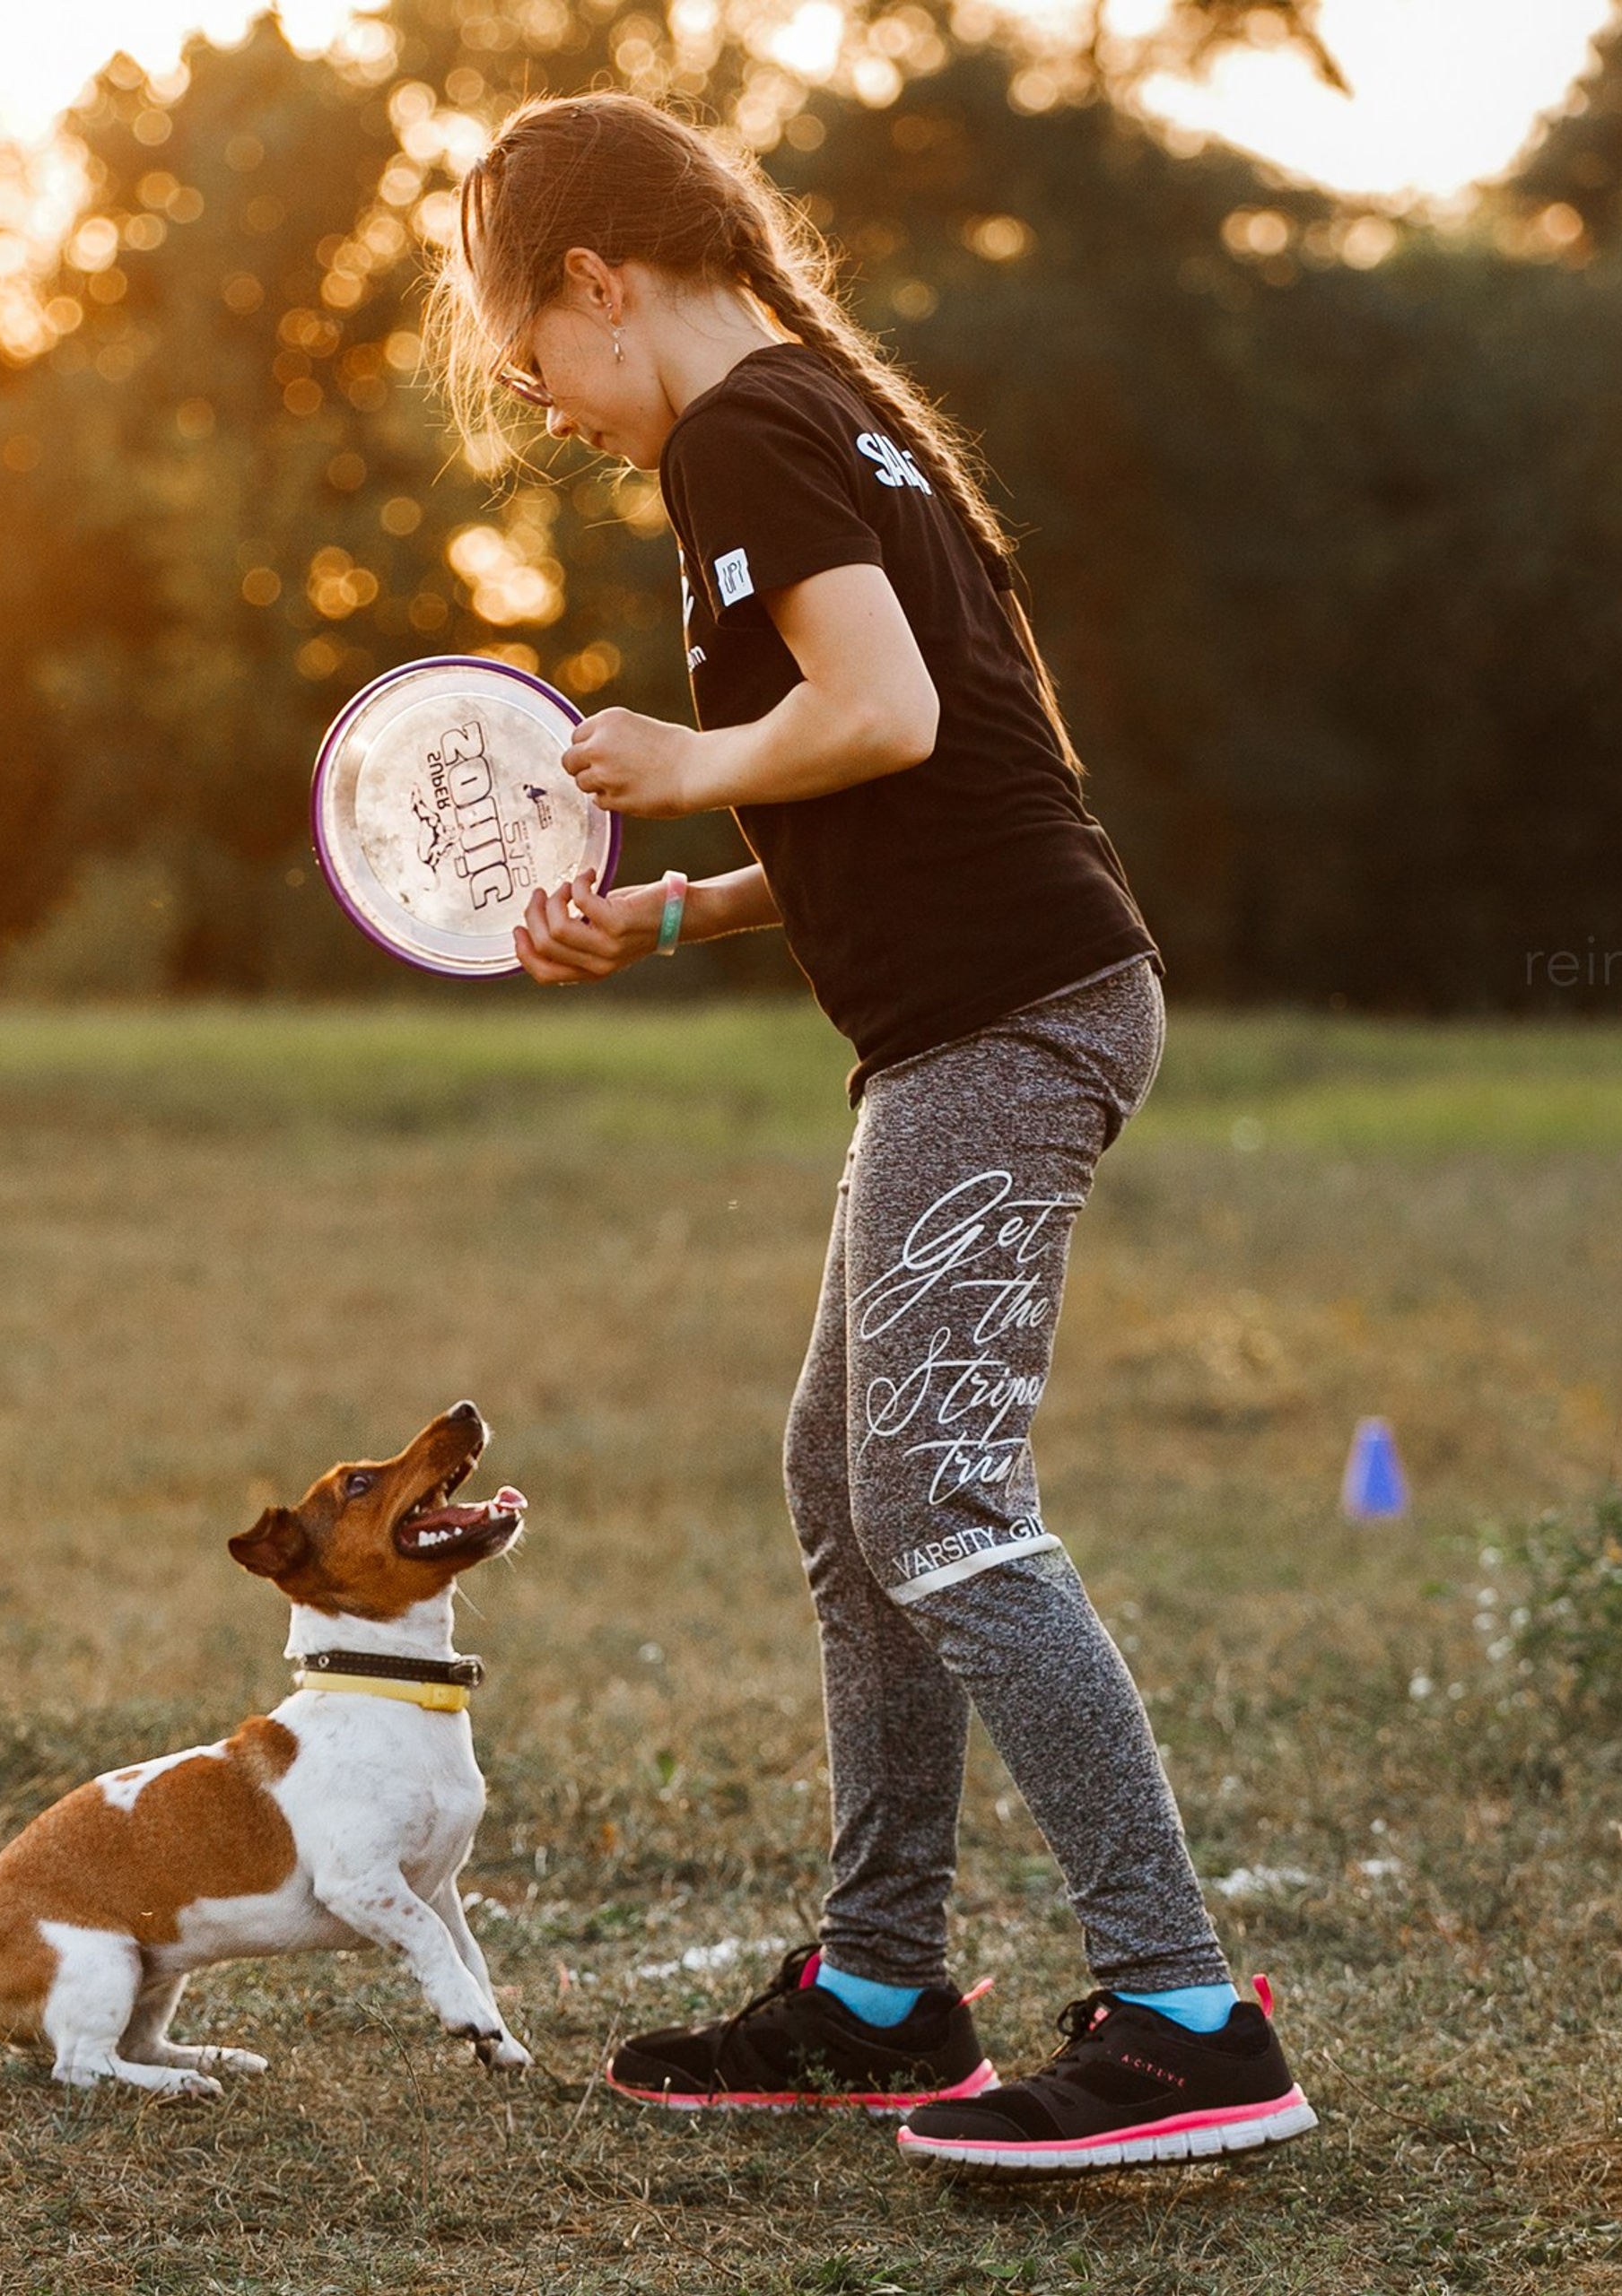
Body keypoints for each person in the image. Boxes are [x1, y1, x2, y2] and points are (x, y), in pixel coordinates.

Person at [424, 90, 1316, 2173]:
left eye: (525, 349)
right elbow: (909, 772)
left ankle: (1184, 2013)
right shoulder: (830, 406)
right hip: (987, 1006)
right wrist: (680, 902)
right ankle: (879, 1985)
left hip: (1004, 1022)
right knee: (846, 1484)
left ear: (595, 279)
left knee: (937, 1500)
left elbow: (881, 721)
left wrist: (671, 756)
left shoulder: (745, 430)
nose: (539, 401)